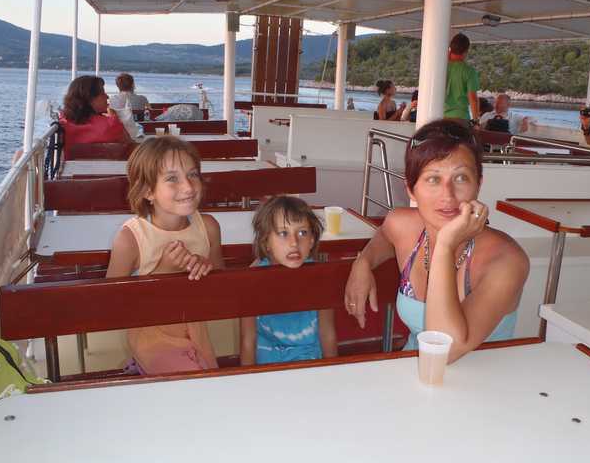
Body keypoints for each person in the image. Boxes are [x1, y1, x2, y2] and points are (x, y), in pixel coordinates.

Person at [343, 120, 529, 362]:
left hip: (483, 380)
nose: (448, 195)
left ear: (478, 184)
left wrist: (445, 245)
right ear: (411, 189)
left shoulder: (506, 261)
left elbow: (444, 351)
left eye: (460, 178)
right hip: (412, 370)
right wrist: (363, 262)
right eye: (433, 179)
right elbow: (385, 235)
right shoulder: (402, 224)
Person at [106, 136, 224, 374]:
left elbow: (222, 288)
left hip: (196, 331)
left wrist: (206, 268)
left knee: (209, 378)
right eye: (172, 178)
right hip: (152, 336)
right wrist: (163, 271)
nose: (188, 187)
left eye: (193, 174)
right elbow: (111, 303)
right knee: (197, 384)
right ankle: (141, 363)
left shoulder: (208, 227)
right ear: (148, 191)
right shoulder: (131, 239)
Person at [240, 196, 337, 365]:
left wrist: (333, 372)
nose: (294, 243)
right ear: (266, 241)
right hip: (267, 367)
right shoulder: (252, 280)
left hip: (309, 363)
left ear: (312, 240)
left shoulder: (321, 278)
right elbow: (248, 341)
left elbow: (327, 334)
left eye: (302, 233)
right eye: (283, 233)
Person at [59, 76, 131, 159]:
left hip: (72, 167)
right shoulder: (111, 125)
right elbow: (130, 147)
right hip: (110, 167)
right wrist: (114, 116)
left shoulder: (63, 125)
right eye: (102, 93)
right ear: (89, 99)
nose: (107, 96)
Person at [444, 33, 480, 122]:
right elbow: (473, 98)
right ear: (466, 51)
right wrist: (476, 121)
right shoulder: (469, 71)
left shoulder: (441, 67)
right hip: (460, 117)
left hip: (440, 116)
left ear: (450, 49)